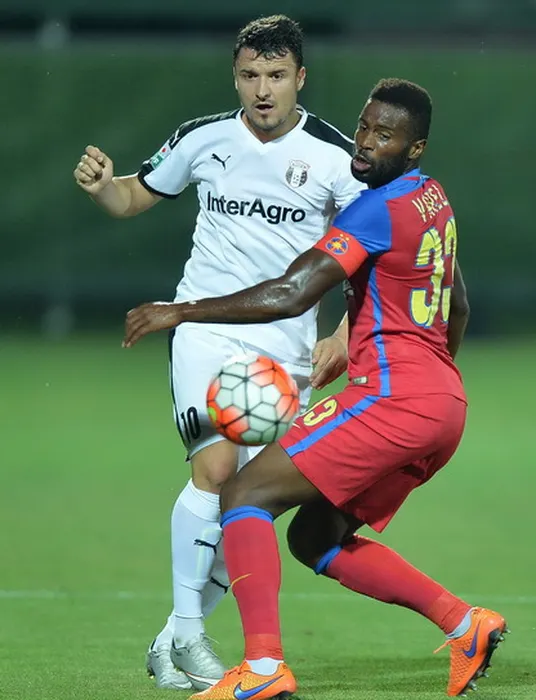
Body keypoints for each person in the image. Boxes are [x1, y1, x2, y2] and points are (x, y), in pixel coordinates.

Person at [123, 78, 507, 700]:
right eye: (363, 128)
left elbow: (292, 293)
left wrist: (183, 310)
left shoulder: (373, 211)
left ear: (415, 148)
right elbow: (457, 305)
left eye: (385, 136)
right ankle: (465, 625)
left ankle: (263, 668)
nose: (366, 144)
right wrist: (431, 385)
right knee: (314, 538)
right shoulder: (433, 200)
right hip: (445, 406)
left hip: (394, 400)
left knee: (244, 492)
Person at [72, 14, 365, 690]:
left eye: (275, 76)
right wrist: (104, 188)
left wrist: (342, 337)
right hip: (204, 327)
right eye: (249, 75)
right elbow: (133, 197)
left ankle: (170, 640)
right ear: (234, 76)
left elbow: (372, 259)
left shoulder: (336, 157)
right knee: (215, 468)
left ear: (300, 78)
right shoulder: (202, 138)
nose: (262, 90)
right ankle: (191, 635)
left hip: (286, 348)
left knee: (251, 502)